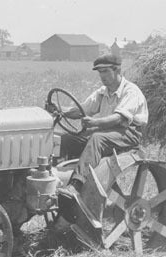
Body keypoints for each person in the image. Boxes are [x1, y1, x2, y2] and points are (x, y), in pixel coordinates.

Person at [48, 53, 148, 190]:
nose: (102, 76)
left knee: (97, 138)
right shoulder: (102, 92)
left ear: (117, 70)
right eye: (100, 72)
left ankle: (76, 184)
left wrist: (95, 123)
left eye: (106, 71)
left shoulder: (131, 91)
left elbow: (118, 118)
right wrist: (59, 110)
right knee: (67, 139)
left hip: (128, 133)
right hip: (108, 131)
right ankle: (53, 176)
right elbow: (81, 110)